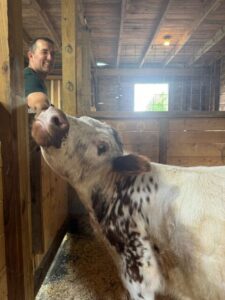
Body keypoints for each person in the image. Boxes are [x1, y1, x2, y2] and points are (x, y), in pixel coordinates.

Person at [24, 37, 55, 112]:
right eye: (44, 52)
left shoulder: (36, 78)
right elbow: (40, 106)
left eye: (52, 54)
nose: (50, 58)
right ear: (31, 56)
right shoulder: (29, 76)